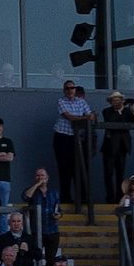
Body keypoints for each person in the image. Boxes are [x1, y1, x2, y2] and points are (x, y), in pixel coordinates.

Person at [52, 79, 95, 208]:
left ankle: (81, 198)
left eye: (72, 88)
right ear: (64, 90)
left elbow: (91, 116)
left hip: (76, 138)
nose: (70, 90)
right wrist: (84, 118)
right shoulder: (61, 101)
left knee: (80, 167)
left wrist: (85, 117)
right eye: (67, 88)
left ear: (75, 89)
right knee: (64, 169)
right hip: (63, 137)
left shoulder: (81, 101)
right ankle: (66, 197)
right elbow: (69, 117)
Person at [100, 92, 134, 197]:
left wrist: (133, 109)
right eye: (114, 100)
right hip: (109, 147)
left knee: (120, 173)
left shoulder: (127, 111)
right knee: (108, 173)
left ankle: (119, 196)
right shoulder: (107, 111)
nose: (116, 102)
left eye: (118, 100)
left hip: (122, 146)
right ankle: (110, 197)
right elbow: (111, 121)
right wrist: (120, 110)